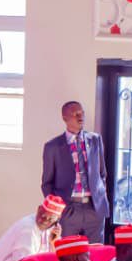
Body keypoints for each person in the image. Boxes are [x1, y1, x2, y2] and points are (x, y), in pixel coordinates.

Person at [42, 100, 109, 243]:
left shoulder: (95, 140)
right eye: (75, 114)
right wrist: (58, 211)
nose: (81, 117)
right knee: (68, 254)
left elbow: (102, 174)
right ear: (65, 118)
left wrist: (100, 197)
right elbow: (47, 183)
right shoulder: (52, 147)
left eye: (82, 113)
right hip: (68, 210)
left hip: (94, 209)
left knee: (95, 254)